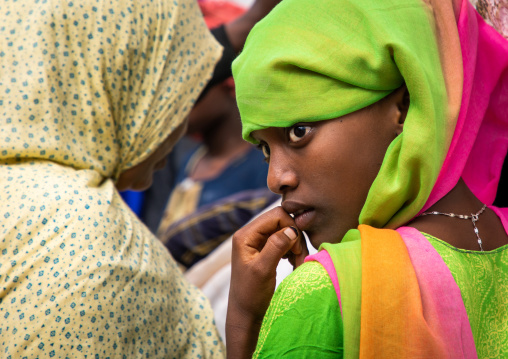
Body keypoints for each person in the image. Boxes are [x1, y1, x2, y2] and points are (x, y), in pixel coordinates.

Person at [226, 0, 508, 357]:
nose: (275, 178)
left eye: (298, 131)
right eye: (264, 149)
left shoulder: (323, 295)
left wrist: (243, 322)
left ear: (405, 105)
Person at [0, 0, 227, 357]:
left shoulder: (16, 191)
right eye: (170, 90)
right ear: (119, 80)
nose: (180, 122)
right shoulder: (97, 249)